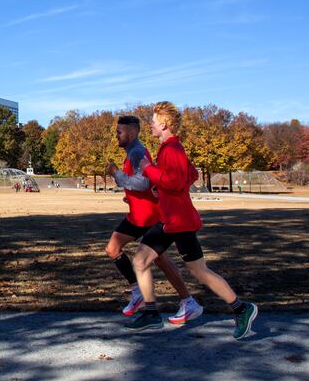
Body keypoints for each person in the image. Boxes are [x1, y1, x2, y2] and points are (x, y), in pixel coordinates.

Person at [126, 102, 257, 339]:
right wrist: (160, 189)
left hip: (180, 221)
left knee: (199, 271)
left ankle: (242, 308)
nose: (151, 125)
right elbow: (190, 175)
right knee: (140, 260)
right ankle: (151, 313)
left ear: (163, 124)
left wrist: (149, 169)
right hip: (169, 220)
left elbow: (176, 181)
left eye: (153, 121)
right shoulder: (169, 148)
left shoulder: (173, 149)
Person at [107, 116, 203, 323]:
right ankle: (138, 291)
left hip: (148, 216)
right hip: (137, 214)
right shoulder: (132, 152)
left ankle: (186, 301)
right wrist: (130, 197)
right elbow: (143, 185)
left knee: (160, 260)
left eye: (119, 132)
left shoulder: (137, 152)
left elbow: (143, 182)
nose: (116, 135)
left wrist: (116, 174)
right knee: (113, 249)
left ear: (132, 133)